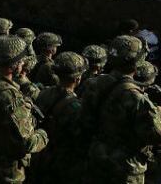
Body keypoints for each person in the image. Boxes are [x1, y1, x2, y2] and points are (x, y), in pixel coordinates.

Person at [83, 36, 161, 183]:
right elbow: (155, 135)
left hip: (96, 157)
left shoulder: (94, 83)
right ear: (138, 61)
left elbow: (84, 119)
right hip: (124, 168)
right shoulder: (137, 99)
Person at [0, 35, 48, 183]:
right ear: (15, 63)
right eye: (22, 60)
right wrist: (43, 134)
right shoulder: (9, 97)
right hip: (4, 169)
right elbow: (27, 143)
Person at [33, 52, 87, 183]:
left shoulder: (43, 93)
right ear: (77, 78)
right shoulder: (76, 107)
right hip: (62, 162)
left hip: (40, 155)